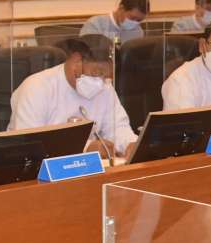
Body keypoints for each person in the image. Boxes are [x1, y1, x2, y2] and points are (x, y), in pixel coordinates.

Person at [9, 36, 137, 159]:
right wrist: (86, 148)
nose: (100, 81)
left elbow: (118, 127)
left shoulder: (105, 86)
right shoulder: (37, 87)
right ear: (76, 61)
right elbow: (31, 144)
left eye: (106, 76)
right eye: (97, 73)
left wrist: (130, 144)